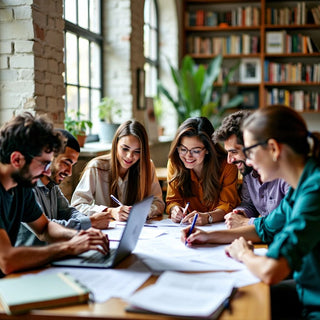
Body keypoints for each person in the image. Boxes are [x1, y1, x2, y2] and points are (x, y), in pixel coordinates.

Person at [182, 105, 320, 319]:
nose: (248, 161)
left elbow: (271, 270)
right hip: (306, 291)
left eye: (251, 152)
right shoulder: (299, 187)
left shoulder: (314, 192)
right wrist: (207, 236)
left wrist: (243, 254)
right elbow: (262, 228)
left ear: (273, 149)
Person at [0, 112, 108, 277]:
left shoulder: (21, 186)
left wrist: (80, 236)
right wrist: (69, 247)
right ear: (16, 160)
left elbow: (44, 228)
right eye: (43, 163)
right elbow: (6, 261)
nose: (47, 171)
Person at [16, 129, 112, 247]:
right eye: (66, 162)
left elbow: (68, 211)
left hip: (53, 254)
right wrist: (90, 222)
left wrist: (88, 224)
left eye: (72, 165)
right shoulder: (24, 187)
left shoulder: (52, 186)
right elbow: (47, 227)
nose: (70, 172)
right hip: (32, 259)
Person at [71, 120, 165, 221]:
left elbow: (158, 202)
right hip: (106, 230)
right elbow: (77, 206)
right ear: (115, 145)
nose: (130, 156)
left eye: (137, 151)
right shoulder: (97, 167)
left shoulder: (147, 166)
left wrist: (142, 212)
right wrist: (109, 211)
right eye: (125, 149)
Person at [213, 110, 289, 229]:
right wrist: (239, 214)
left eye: (234, 152)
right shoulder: (248, 171)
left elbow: (287, 221)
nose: (229, 161)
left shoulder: (290, 174)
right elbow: (249, 204)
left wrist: (246, 223)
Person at [166, 117, 240, 226]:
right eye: (183, 149)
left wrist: (208, 217)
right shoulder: (175, 162)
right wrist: (175, 210)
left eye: (195, 151)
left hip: (219, 227)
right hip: (185, 228)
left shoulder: (228, 165)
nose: (188, 156)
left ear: (208, 149)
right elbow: (172, 200)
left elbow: (227, 206)